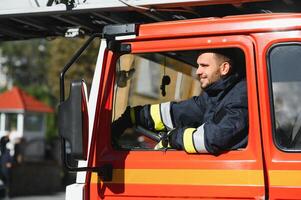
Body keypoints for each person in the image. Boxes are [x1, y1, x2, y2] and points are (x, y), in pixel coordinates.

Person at [112, 48, 248, 155]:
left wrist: (173, 138)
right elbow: (179, 113)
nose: (198, 71)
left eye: (204, 65)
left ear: (224, 68)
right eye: (198, 66)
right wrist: (133, 116)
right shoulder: (216, 94)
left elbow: (212, 139)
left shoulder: (242, 96)